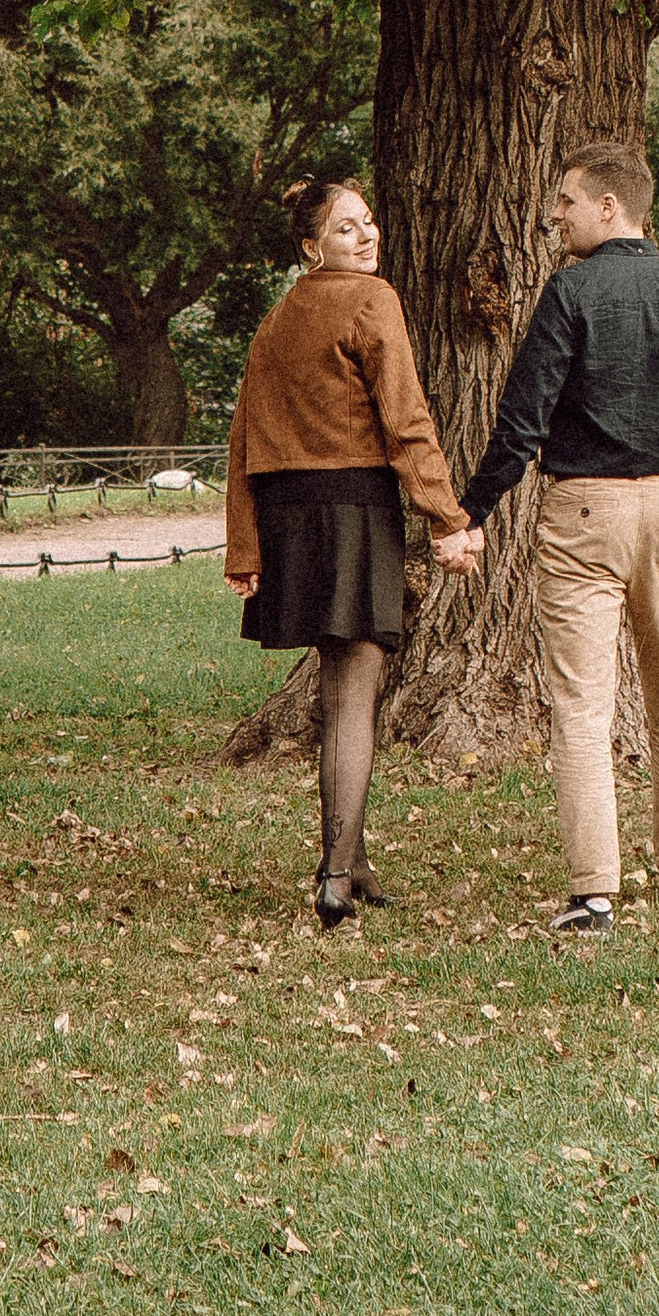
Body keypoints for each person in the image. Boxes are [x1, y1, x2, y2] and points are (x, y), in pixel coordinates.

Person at [458, 137, 659, 939]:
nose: (556, 214)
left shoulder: (570, 294)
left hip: (582, 513)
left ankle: (594, 894)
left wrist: (470, 514)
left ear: (610, 207)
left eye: (567, 201)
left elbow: (521, 421)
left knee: (581, 706)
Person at [225, 172, 483, 926]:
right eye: (346, 228)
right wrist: (446, 517)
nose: (366, 236)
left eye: (368, 222)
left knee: (345, 686)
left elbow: (242, 442)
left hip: (288, 517)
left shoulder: (275, 322)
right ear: (312, 246)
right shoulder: (375, 301)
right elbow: (407, 421)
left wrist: (246, 548)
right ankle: (336, 875)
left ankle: (351, 858)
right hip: (350, 508)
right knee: (353, 692)